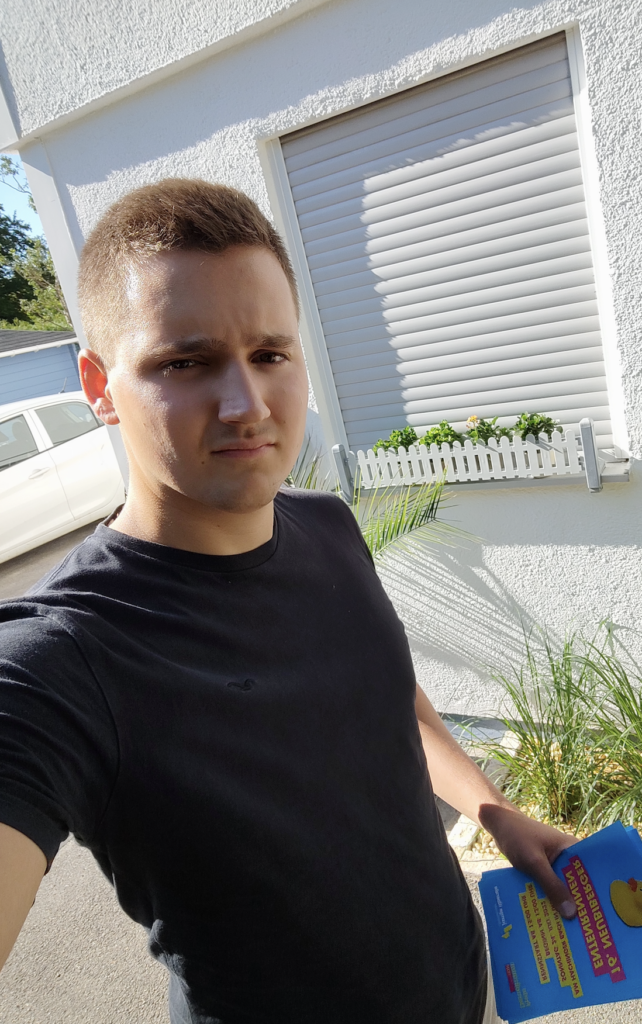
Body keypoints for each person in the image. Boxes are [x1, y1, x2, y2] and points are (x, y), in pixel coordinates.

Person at [0, 179, 576, 1024]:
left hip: (463, 987)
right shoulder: (61, 658)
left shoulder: (328, 524)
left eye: (270, 354)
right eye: (184, 362)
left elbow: (388, 692)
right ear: (98, 384)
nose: (247, 405)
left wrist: (490, 809)